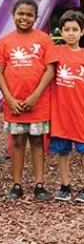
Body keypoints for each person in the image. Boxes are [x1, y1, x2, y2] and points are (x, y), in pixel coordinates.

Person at [0, 0, 57, 201]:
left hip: (37, 104)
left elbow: (50, 70)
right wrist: (9, 99)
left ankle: (39, 184)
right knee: (18, 142)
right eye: (21, 13)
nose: (25, 17)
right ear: (13, 16)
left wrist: (35, 96)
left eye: (29, 14)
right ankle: (16, 184)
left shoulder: (44, 39)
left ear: (36, 17)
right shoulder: (5, 42)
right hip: (15, 105)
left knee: (38, 142)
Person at [49, 10, 84, 202]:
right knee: (63, 151)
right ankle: (65, 185)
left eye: (75, 29)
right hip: (61, 113)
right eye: (66, 29)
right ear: (61, 32)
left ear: (82, 32)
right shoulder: (56, 52)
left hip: (81, 112)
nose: (71, 33)